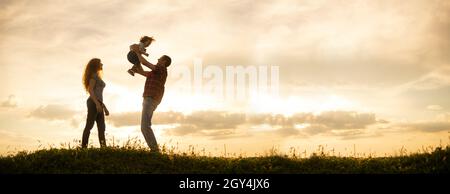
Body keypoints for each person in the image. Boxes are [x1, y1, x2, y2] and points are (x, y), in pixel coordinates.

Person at [131, 45, 171, 152]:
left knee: (145, 127)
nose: (158, 59)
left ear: (164, 62)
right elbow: (143, 72)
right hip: (149, 99)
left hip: (150, 99)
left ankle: (155, 151)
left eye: (160, 58)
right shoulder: (156, 71)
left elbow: (145, 63)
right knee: (145, 126)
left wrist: (137, 53)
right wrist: (136, 66)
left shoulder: (161, 69)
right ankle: (155, 150)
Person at [81, 58, 109, 148]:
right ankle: (83, 148)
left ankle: (104, 149)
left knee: (102, 128)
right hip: (93, 103)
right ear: (96, 65)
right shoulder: (93, 76)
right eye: (100, 63)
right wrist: (97, 104)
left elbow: (98, 95)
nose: (102, 64)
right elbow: (91, 90)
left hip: (98, 103)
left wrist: (104, 107)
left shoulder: (97, 76)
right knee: (89, 125)